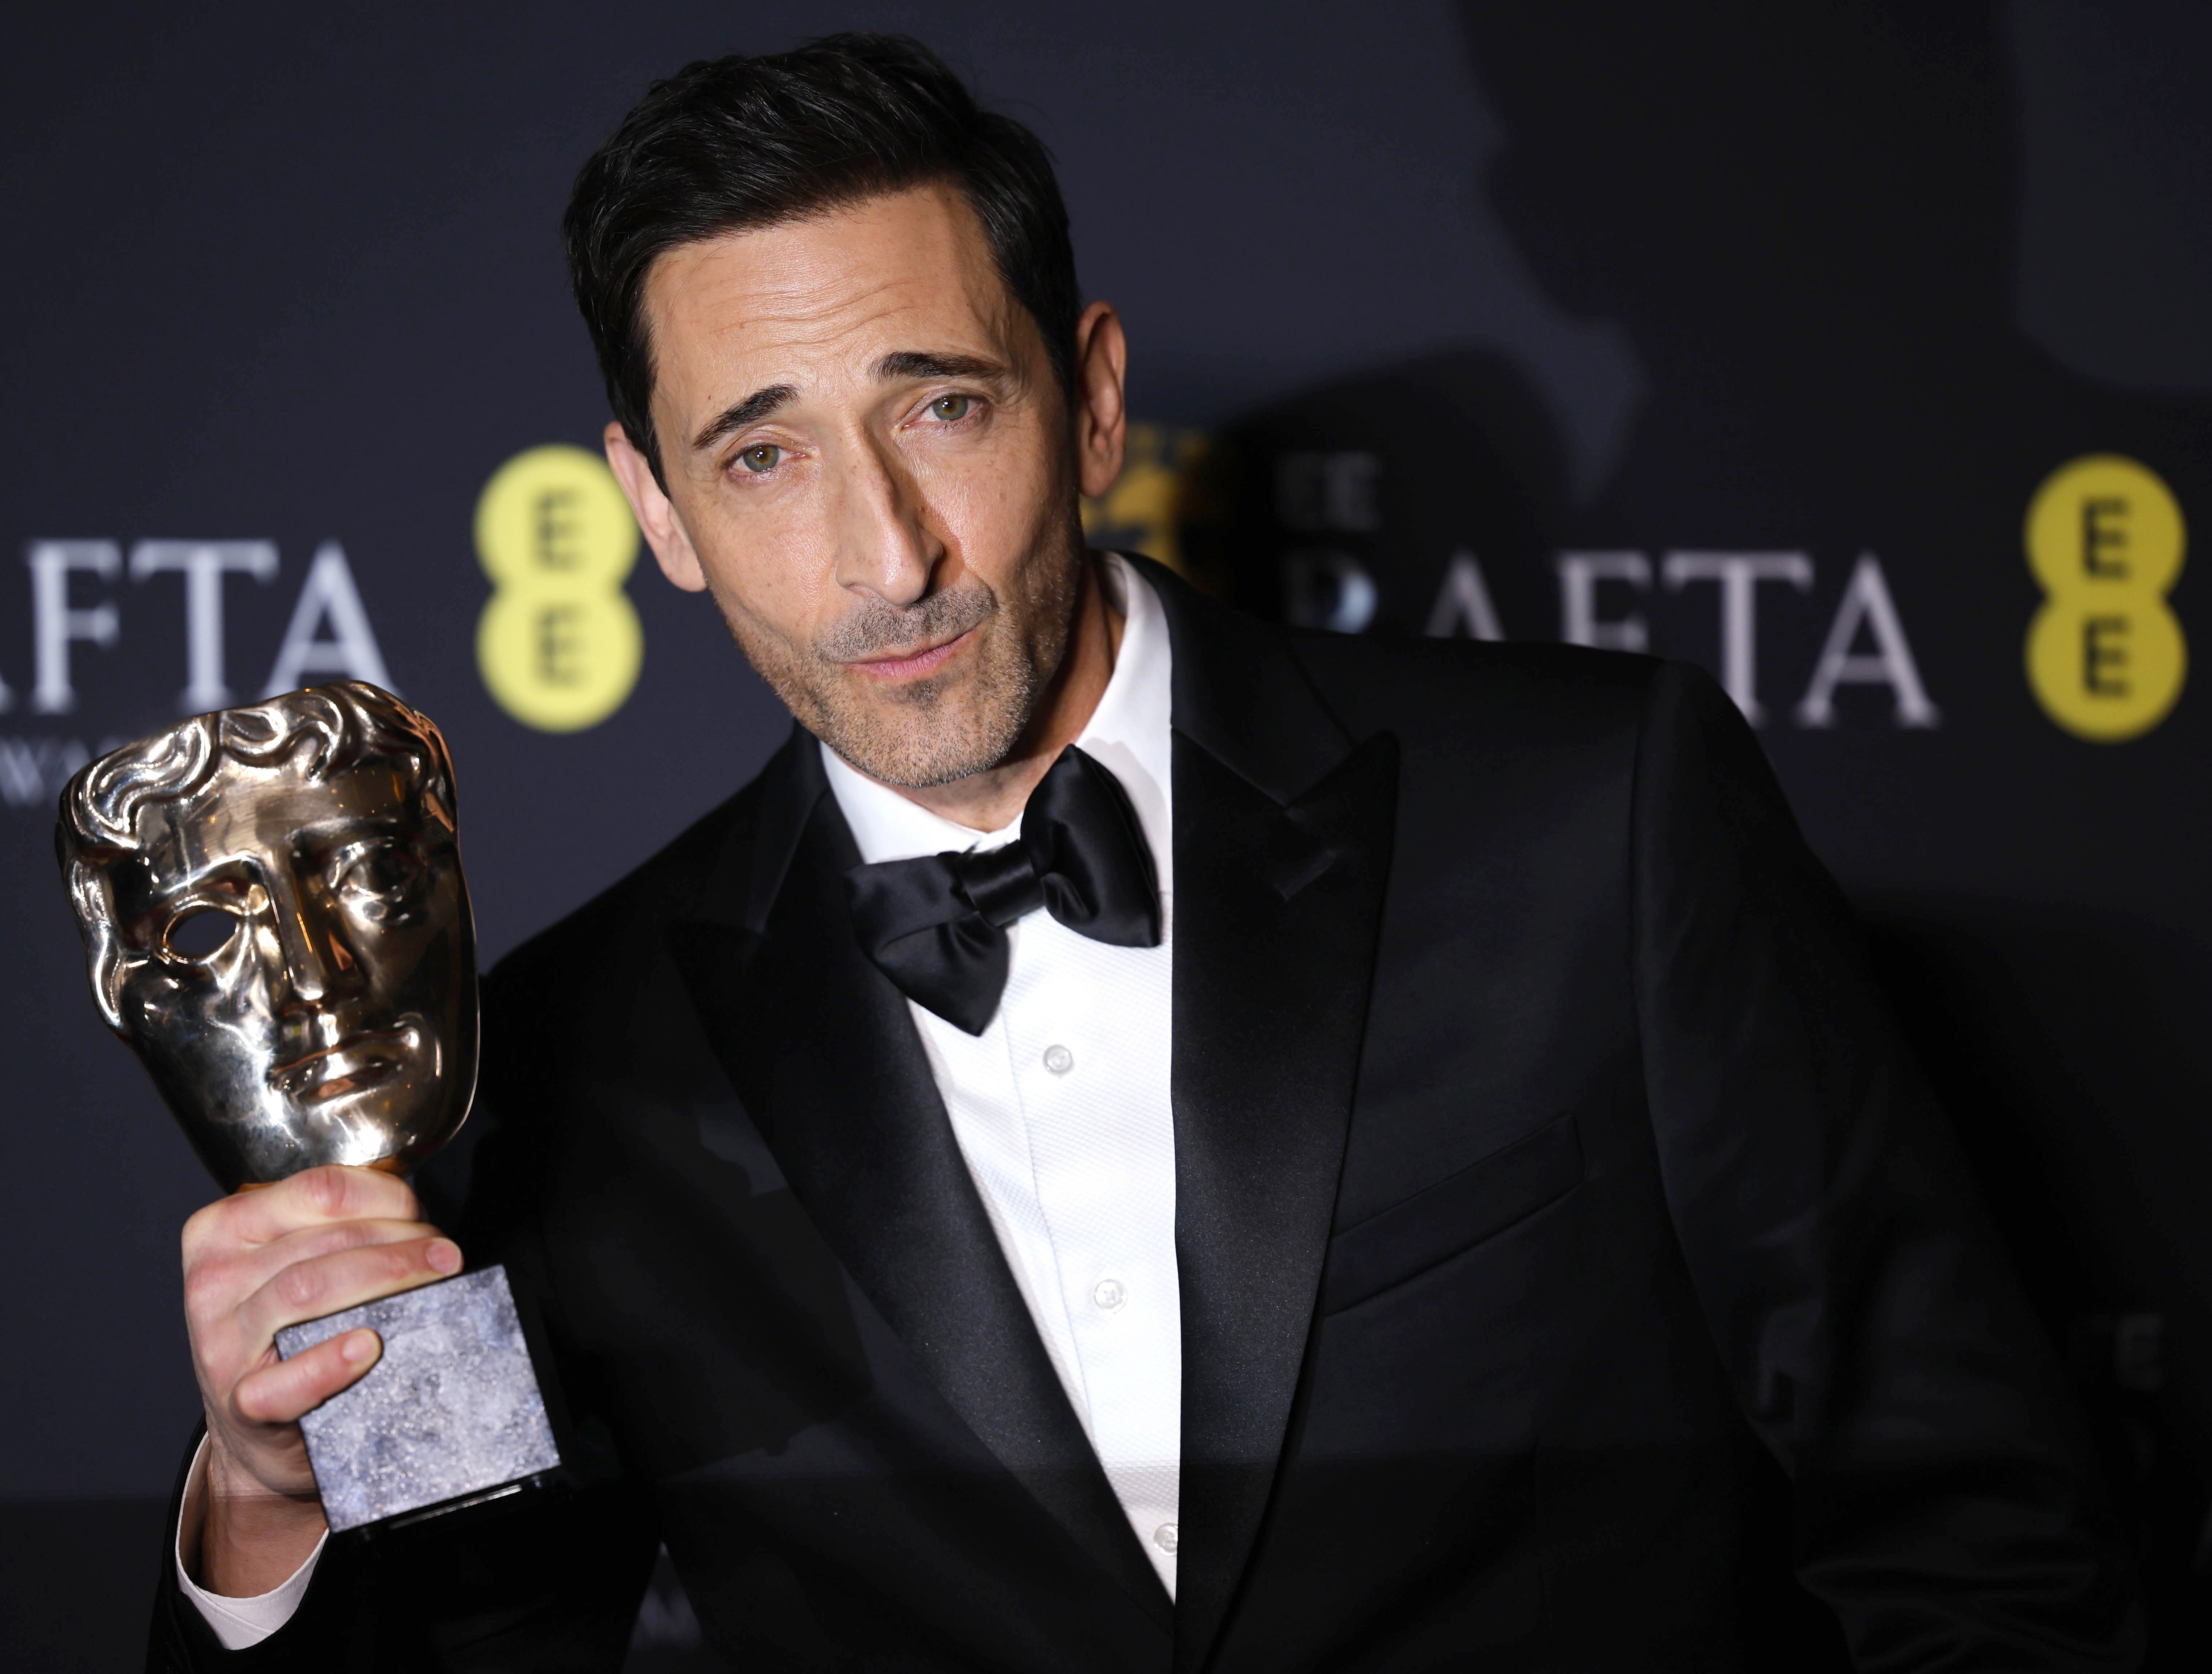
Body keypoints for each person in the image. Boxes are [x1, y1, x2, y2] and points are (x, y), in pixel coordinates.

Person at [152, 33, 2138, 1670]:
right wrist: (262, 1495)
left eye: (943, 408)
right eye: (762, 457)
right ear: (655, 511)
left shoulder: (1597, 819)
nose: (885, 556)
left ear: (1092, 400)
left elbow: (1979, 1538)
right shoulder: (558, 1061)